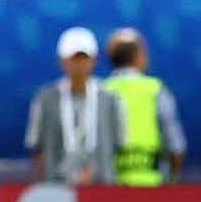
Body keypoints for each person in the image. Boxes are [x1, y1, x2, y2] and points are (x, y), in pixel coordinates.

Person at [26, 27, 126, 185]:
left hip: (103, 188)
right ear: (62, 60)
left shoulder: (110, 99)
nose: (79, 64)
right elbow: (37, 148)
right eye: (73, 58)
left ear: (93, 60)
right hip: (57, 188)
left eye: (83, 57)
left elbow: (120, 145)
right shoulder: (45, 99)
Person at [105, 28, 187, 186]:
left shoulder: (102, 92)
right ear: (139, 56)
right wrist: (172, 179)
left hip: (110, 189)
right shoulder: (156, 89)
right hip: (152, 187)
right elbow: (176, 146)